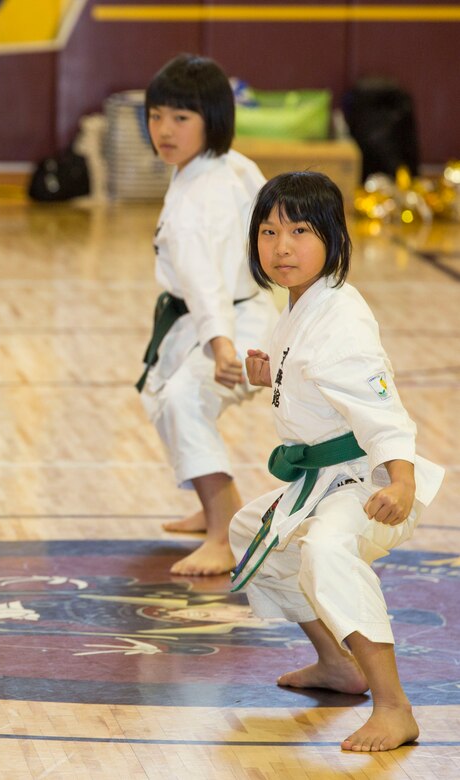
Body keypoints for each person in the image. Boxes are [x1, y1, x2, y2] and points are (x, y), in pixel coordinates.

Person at [229, 171, 444, 751]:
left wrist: (400, 482)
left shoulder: (342, 322)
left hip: (368, 479)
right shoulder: (301, 305)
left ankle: (395, 707)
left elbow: (386, 413)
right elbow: (302, 375)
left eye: (300, 230)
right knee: (254, 531)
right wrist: (262, 371)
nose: (281, 247)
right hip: (322, 479)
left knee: (326, 550)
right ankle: (336, 664)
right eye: (269, 232)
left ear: (332, 237)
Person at [137, 54, 278, 576]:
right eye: (156, 115)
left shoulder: (201, 197)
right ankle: (208, 503)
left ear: (213, 119)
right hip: (234, 312)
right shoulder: (227, 165)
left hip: (231, 320)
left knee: (184, 401)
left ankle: (224, 532)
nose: (164, 130)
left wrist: (221, 346)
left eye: (180, 118)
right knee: (161, 392)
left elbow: (205, 283)